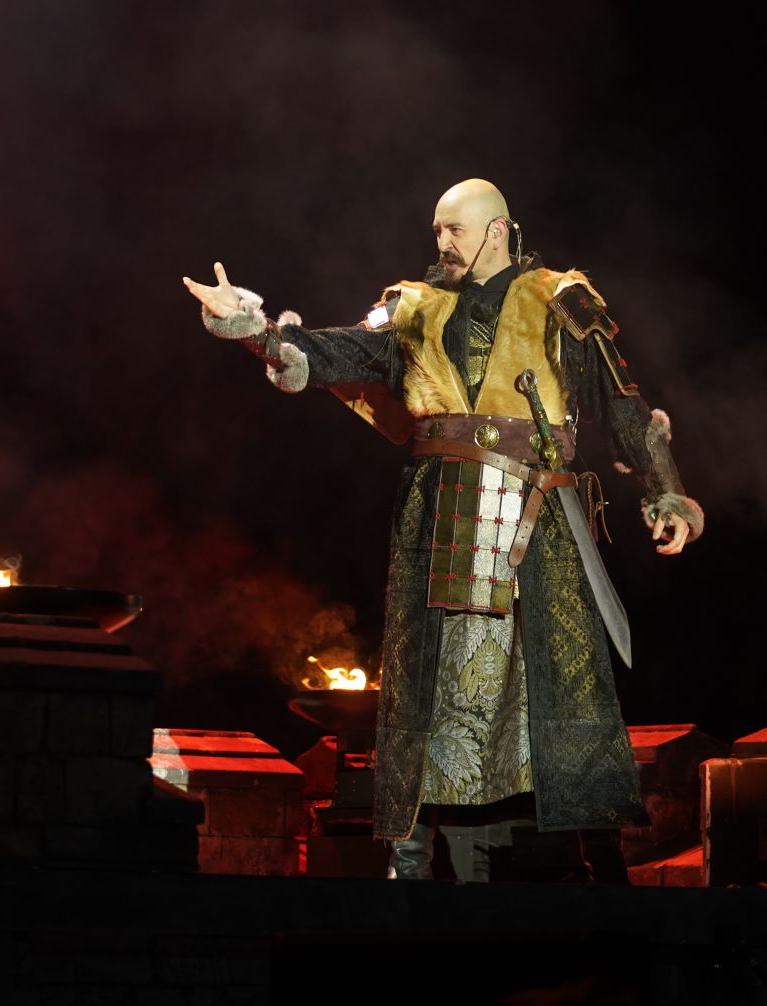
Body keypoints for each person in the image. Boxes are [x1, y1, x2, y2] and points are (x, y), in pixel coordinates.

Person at [184, 178, 702, 881]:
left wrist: (667, 492)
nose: (442, 243)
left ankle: (598, 865)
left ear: (497, 230)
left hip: (540, 513)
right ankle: (410, 862)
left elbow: (622, 404)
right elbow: (336, 352)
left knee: (562, 678)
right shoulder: (411, 306)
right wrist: (254, 328)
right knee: (429, 679)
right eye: (436, 230)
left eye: (454, 229)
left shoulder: (561, 298)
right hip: (441, 512)